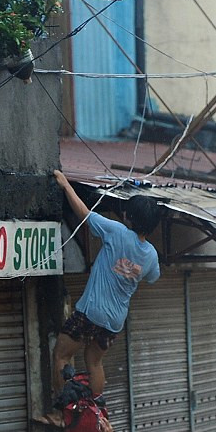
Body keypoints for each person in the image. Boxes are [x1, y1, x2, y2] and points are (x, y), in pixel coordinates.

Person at [52, 169, 162, 401]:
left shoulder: (117, 231)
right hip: (114, 321)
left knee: (61, 356)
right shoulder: (151, 255)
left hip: (91, 311)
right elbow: (152, 277)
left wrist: (65, 185)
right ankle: (95, 415)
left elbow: (84, 214)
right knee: (94, 361)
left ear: (129, 218)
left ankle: (65, 413)